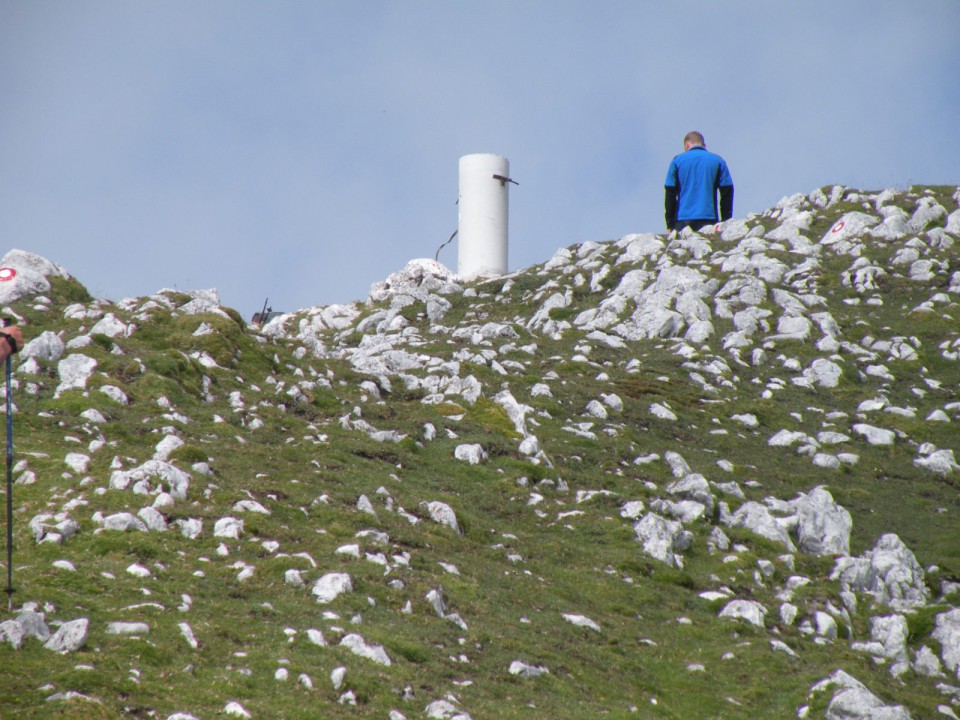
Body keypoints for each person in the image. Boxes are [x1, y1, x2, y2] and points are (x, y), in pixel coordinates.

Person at [664, 130, 734, 233]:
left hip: (683, 220)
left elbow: (670, 193)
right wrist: (725, 221)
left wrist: (670, 224)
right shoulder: (718, 161)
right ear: (704, 145)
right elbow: (727, 192)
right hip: (709, 218)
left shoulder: (677, 161)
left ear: (687, 145)